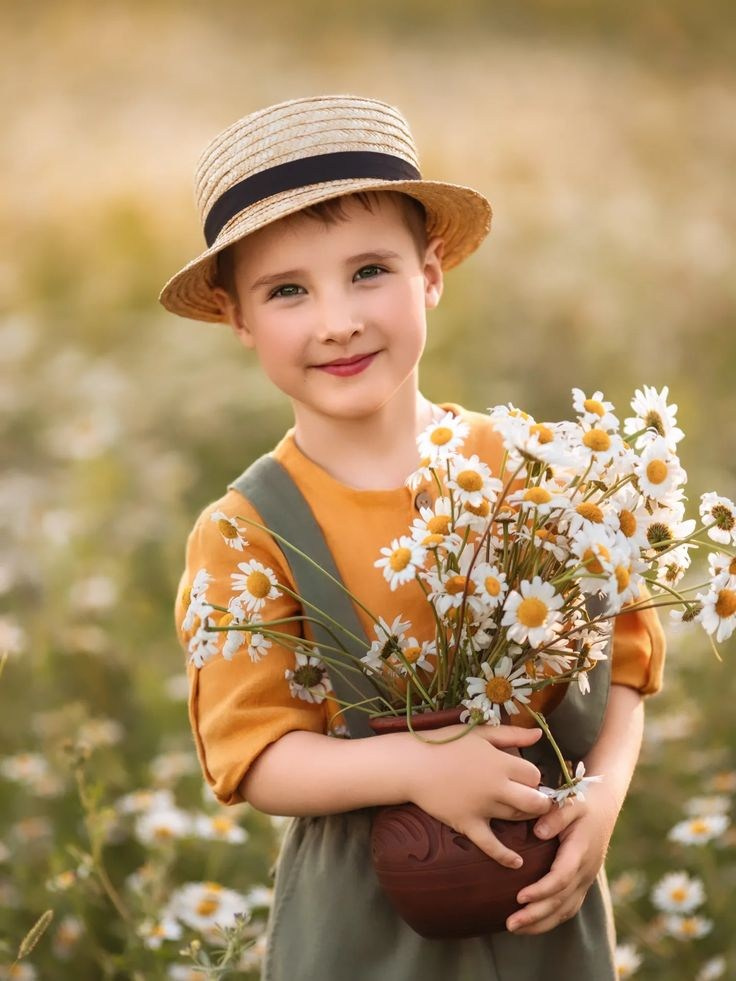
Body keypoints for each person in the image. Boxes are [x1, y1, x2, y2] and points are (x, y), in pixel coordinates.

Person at [161, 94, 665, 980]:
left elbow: (622, 660)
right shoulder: (245, 533)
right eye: (287, 291)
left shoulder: (529, 469)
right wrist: (418, 769)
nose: (337, 320)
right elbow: (256, 755)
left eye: (369, 271)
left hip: (546, 897)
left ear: (431, 273)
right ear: (238, 318)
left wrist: (604, 798)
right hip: (361, 917)